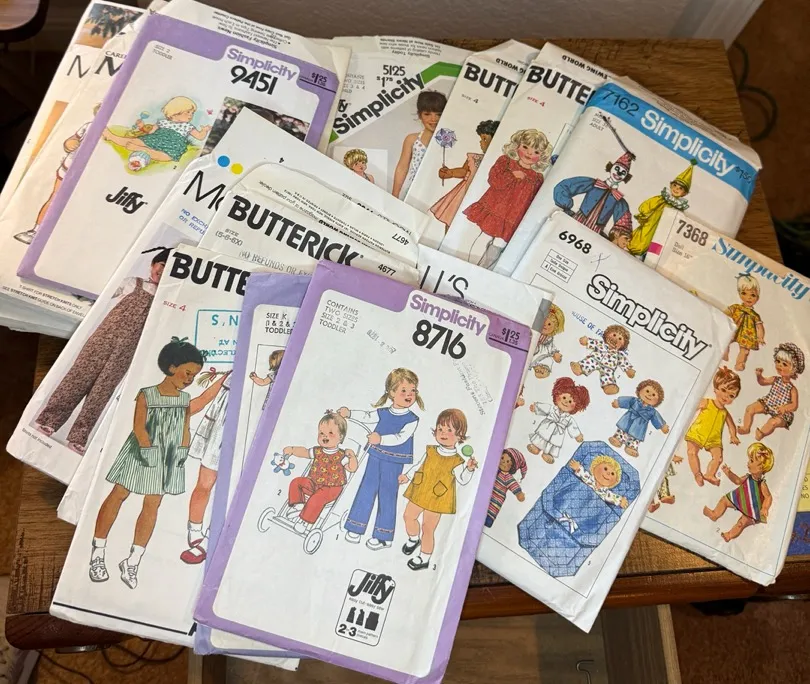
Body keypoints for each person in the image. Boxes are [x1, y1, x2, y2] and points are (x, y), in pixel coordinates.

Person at [88, 338, 219, 588]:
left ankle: (133, 561)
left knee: (152, 504)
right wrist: (148, 452)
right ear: (172, 367)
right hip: (142, 451)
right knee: (119, 494)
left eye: (194, 375)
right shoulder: (147, 394)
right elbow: (139, 428)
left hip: (168, 457)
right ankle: (97, 553)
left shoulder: (183, 400)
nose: (190, 379)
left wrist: (181, 452)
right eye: (188, 373)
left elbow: (190, 420)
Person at [35, 247, 171, 454]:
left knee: (102, 390)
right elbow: (100, 295)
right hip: (102, 340)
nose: (162, 271)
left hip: (127, 351)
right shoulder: (132, 283)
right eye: (161, 265)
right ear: (153, 264)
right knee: (78, 378)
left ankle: (79, 436)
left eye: (169, 269)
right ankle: (49, 420)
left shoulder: (165, 300)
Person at [340, 368, 423, 549]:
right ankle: (355, 527)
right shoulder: (383, 412)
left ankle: (383, 536)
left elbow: (401, 438)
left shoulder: (412, 419)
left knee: (387, 495)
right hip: (376, 456)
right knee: (366, 489)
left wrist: (381, 439)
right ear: (391, 392)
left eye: (413, 391)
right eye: (403, 390)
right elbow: (368, 416)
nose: (409, 395)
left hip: (394, 461)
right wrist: (350, 413)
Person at [462, 128, 552, 268]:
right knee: (481, 239)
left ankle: (482, 269)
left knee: (497, 248)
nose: (529, 153)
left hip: (512, 219)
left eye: (536, 152)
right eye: (525, 147)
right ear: (517, 146)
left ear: (542, 156)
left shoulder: (537, 178)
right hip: (493, 208)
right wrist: (512, 175)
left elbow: (534, 202)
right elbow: (493, 180)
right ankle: (465, 265)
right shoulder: (505, 161)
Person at [400, 409, 477, 570]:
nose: (443, 433)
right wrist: (407, 475)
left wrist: (469, 469)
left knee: (428, 527)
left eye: (449, 430)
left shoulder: (457, 460)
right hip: (420, 490)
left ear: (459, 436)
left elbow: (463, 480)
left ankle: (424, 557)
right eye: (440, 428)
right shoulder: (430, 451)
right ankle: (413, 539)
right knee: (408, 516)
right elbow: (418, 465)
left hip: (438, 498)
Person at [15, 104, 101, 244]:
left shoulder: (114, 134)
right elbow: (71, 140)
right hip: (69, 169)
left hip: (92, 176)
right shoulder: (88, 126)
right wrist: (70, 143)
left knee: (80, 205)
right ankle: (36, 231)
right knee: (54, 198)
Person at [283, 412, 358, 534]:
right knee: (296, 482)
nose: (325, 436)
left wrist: (352, 457)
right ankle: (299, 505)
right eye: (321, 433)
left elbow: (352, 468)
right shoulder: (317, 451)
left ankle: (304, 522)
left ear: (340, 437)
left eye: (331, 433)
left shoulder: (341, 455)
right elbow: (304, 452)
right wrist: (292, 450)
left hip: (332, 488)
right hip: (314, 483)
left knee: (317, 498)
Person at [101, 96, 210, 168]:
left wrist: (204, 130)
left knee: (164, 156)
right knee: (134, 141)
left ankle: (140, 150)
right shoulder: (163, 122)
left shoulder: (188, 126)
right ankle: (111, 136)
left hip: (173, 146)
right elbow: (150, 132)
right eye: (188, 112)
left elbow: (200, 137)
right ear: (175, 112)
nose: (191, 115)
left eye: (192, 113)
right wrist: (142, 127)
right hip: (155, 139)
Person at [430, 119, 499, 230]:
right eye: (481, 139)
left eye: (485, 139)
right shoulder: (475, 158)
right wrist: (450, 172)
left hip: (480, 197)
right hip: (462, 193)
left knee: (467, 225)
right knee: (451, 219)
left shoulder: (500, 162)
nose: (481, 142)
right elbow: (463, 171)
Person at [704, 442, 774, 542]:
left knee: (742, 522)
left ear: (760, 468)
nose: (748, 463)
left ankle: (729, 535)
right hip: (740, 499)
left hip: (752, 507)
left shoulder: (762, 484)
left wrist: (765, 508)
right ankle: (715, 514)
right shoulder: (748, 477)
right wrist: (729, 473)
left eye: (751, 461)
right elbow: (737, 481)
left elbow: (768, 497)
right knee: (724, 500)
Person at [627, 160, 696, 259]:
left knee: (657, 246)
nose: (676, 189)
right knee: (642, 240)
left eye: (680, 188)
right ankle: (633, 251)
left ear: (685, 193)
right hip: (651, 224)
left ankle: (649, 259)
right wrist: (645, 213)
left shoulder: (679, 208)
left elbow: (679, 222)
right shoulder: (662, 199)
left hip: (663, 230)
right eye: (675, 185)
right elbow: (648, 204)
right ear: (671, 185)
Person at [553, 152, 634, 236]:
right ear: (611, 168)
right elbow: (566, 186)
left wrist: (617, 235)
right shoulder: (593, 183)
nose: (618, 173)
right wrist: (566, 204)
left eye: (623, 172)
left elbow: (624, 222)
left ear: (626, 177)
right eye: (617, 168)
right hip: (576, 222)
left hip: (594, 233)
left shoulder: (619, 200)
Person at [685, 367, 741, 486]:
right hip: (697, 432)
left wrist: (733, 435)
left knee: (718, 457)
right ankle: (697, 474)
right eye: (723, 390)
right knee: (691, 452)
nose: (726, 396)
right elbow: (691, 407)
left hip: (714, 439)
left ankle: (709, 474)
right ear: (715, 388)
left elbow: (731, 425)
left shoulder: (725, 412)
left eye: (731, 395)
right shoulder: (707, 402)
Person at [739, 343, 804, 440]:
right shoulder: (775, 379)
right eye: (778, 361)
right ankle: (746, 428)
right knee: (750, 408)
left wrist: (785, 408)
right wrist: (759, 376)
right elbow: (763, 382)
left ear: (793, 370)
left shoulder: (792, 389)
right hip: (768, 403)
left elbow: (794, 405)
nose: (779, 365)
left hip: (782, 413)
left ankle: (761, 433)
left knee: (773, 422)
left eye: (784, 364)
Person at [392, 90, 447, 199]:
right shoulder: (412, 139)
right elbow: (402, 168)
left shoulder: (448, 142)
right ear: (420, 115)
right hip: (413, 191)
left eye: (438, 114)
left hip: (437, 193)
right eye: (427, 114)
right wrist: (395, 195)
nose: (433, 119)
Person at [527, 377, 589, 464]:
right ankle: (536, 447)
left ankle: (547, 454)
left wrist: (577, 435)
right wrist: (536, 407)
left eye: (570, 401)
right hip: (547, 427)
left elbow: (573, 426)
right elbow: (545, 408)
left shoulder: (568, 418)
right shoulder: (552, 409)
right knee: (541, 437)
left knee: (553, 443)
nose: (566, 402)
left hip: (557, 434)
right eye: (564, 397)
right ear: (557, 395)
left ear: (576, 406)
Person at [609, 379, 669, 457]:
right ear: (640, 390)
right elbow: (627, 401)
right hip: (628, 420)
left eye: (653, 395)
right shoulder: (634, 401)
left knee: (635, 438)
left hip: (639, 427)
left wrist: (662, 426)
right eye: (647, 391)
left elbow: (656, 418)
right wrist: (618, 402)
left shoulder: (652, 411)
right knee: (622, 431)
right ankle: (617, 439)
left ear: (658, 400)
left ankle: (631, 447)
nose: (649, 395)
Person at [570, 325, 635, 395]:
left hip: (608, 368)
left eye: (620, 338)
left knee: (608, 376)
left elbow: (624, 362)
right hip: (594, 359)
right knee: (588, 362)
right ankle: (579, 368)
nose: (615, 339)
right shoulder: (600, 344)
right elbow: (592, 342)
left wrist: (628, 370)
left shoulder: (618, 355)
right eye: (614, 335)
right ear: (607, 334)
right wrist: (586, 341)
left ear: (623, 345)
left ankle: (609, 386)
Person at [724, 274, 766, 371]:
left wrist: (760, 337)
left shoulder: (755, 315)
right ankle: (724, 353)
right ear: (739, 294)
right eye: (744, 293)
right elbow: (726, 312)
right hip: (735, 328)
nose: (748, 297)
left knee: (745, 350)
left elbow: (760, 327)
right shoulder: (736, 307)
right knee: (726, 339)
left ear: (757, 297)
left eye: (753, 295)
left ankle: (740, 363)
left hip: (747, 334)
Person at [485, 448, 527, 527]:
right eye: (502, 458)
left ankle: (488, 520)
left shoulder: (506, 477)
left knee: (488, 515)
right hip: (484, 498)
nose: (503, 462)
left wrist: (519, 493)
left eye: (507, 461)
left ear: (512, 467)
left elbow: (513, 484)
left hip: (494, 502)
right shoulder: (494, 468)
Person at [529, 305, 565, 379]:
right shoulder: (533, 331)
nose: (545, 325)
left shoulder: (548, 339)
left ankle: (542, 368)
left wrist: (555, 353)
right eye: (543, 322)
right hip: (529, 349)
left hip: (540, 355)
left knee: (547, 358)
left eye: (549, 324)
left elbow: (552, 347)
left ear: (555, 328)